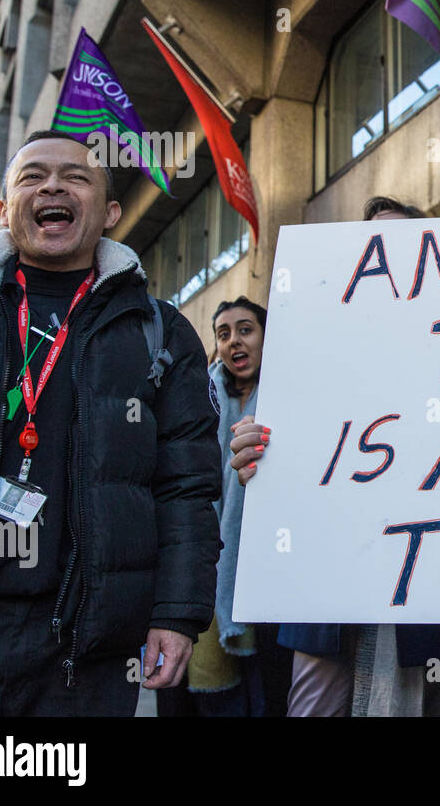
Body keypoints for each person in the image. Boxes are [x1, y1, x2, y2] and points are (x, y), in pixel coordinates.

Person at [0, 129, 221, 715]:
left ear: (111, 212)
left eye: (75, 176)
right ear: (3, 208)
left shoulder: (160, 332)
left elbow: (187, 487)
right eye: (32, 176)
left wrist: (176, 614)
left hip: (85, 646)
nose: (52, 186)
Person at [235, 196, 440, 716]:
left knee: (430, 706)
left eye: (404, 241)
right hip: (327, 585)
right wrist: (262, 457)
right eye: (375, 241)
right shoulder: (314, 347)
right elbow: (292, 451)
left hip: (432, 581)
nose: (388, 252)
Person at [159, 297, 293, 716]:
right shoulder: (195, 400)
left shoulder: (293, 401)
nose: (234, 340)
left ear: (269, 338)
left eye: (246, 329)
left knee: (271, 691)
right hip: (208, 567)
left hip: (274, 574)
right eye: (223, 333)